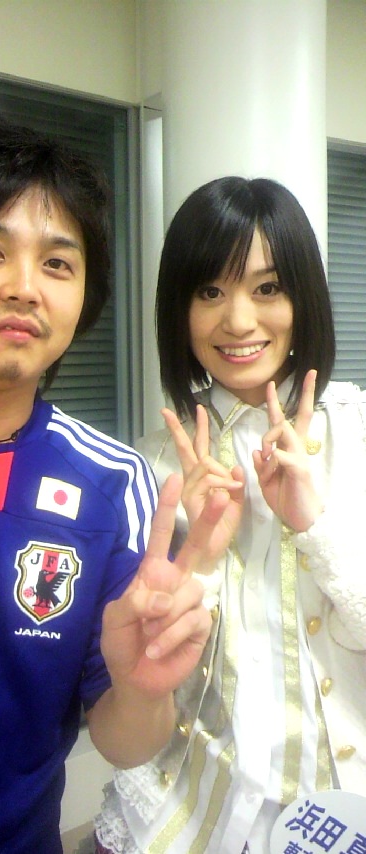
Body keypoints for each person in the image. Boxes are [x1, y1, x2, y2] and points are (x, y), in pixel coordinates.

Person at [0, 115, 243, 854]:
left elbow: (123, 742)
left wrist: (142, 686)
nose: (24, 288)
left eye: (56, 263)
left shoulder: (113, 485)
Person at [95, 177, 366, 854]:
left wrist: (315, 526)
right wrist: (201, 560)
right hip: (191, 811)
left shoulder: (357, 432)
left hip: (345, 810)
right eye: (210, 291)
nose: (239, 321)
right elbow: (145, 682)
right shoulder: (150, 464)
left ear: (303, 297)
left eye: (267, 288)